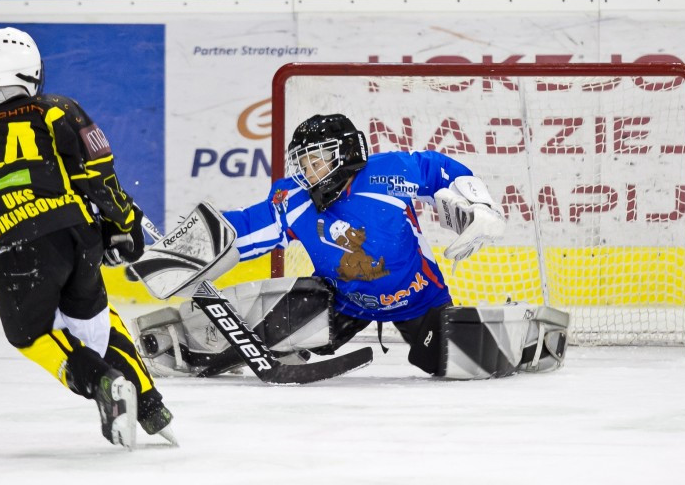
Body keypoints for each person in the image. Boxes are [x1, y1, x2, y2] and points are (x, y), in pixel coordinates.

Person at [132, 113, 566, 380]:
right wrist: (183, 253)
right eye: (301, 162)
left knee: (444, 359)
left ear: (344, 155)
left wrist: (478, 205)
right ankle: (185, 341)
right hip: (343, 302)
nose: (306, 171)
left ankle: (530, 335)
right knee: (281, 323)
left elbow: (437, 170)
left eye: (315, 159)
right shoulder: (295, 199)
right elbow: (248, 229)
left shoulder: (386, 174)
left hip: (419, 301)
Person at [0, 27, 175, 448]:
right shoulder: (57, 110)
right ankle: (152, 407)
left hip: (14, 244)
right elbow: (98, 176)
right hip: (77, 237)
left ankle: (103, 383)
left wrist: (11, 247)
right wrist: (121, 226)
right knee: (95, 328)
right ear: (31, 71)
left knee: (29, 334)